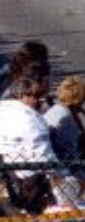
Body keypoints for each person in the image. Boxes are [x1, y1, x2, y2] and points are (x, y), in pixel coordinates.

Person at [0, 77, 57, 214]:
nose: (38, 100)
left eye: (40, 96)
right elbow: (43, 153)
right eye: (34, 95)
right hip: (29, 176)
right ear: (20, 95)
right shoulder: (32, 118)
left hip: (7, 173)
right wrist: (58, 172)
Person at [44, 76, 85, 162]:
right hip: (66, 165)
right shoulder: (65, 118)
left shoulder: (60, 110)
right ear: (78, 99)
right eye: (84, 98)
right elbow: (72, 148)